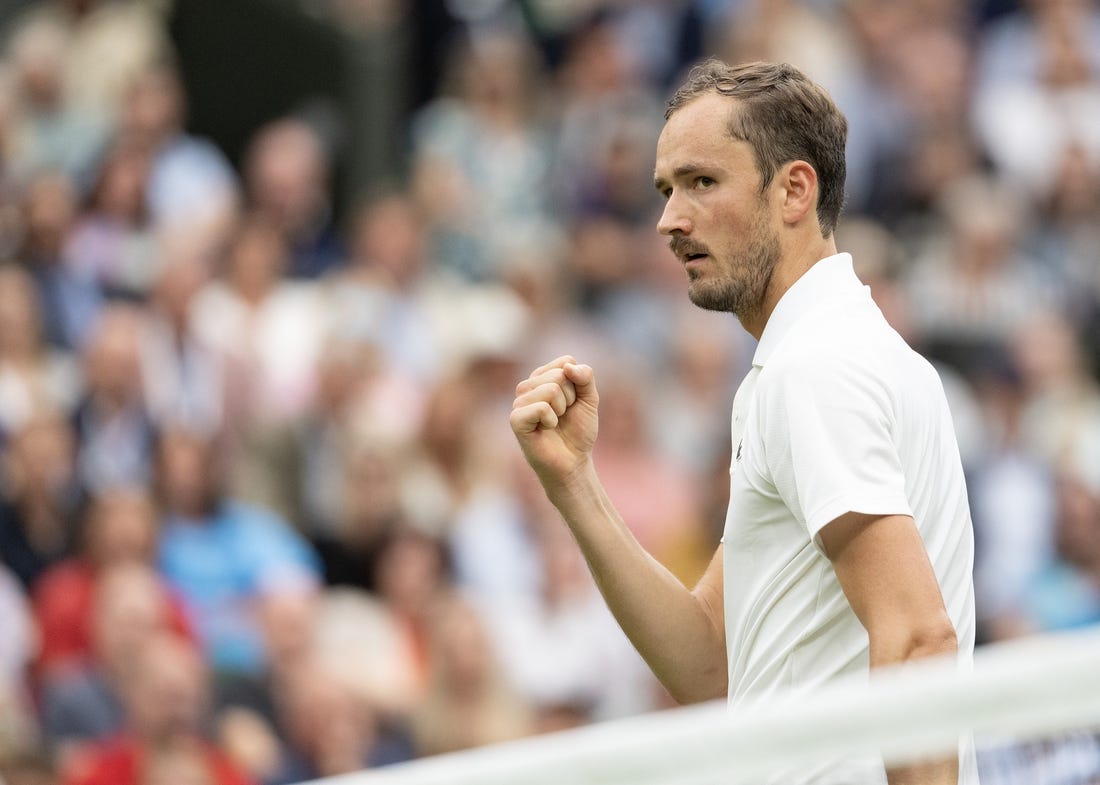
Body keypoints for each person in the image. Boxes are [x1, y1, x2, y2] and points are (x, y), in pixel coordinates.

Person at [510, 59, 978, 785]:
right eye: (667, 189)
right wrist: (576, 485)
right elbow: (714, 665)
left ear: (795, 189)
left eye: (702, 182)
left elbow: (918, 639)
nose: (669, 219)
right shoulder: (829, 355)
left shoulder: (814, 369)